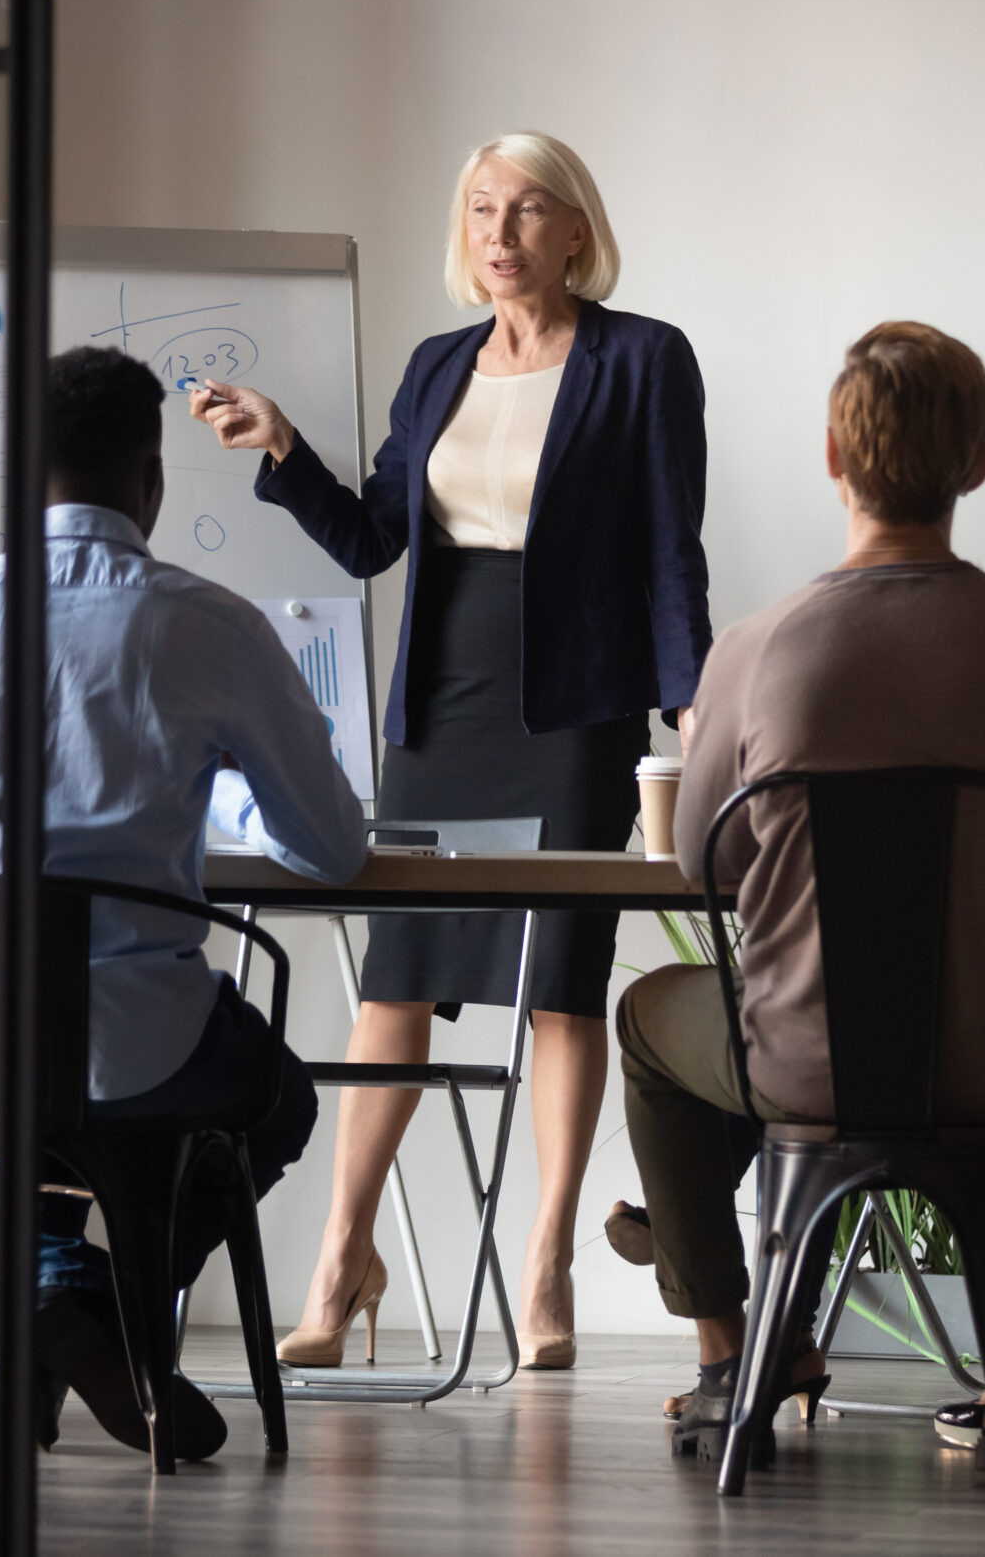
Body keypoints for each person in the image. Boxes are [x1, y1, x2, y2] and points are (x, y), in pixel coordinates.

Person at [618, 321, 985, 1481]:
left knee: (642, 1024)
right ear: (975, 466)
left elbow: (698, 867)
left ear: (833, 455)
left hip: (796, 1065)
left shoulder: (752, 649)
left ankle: (736, 1358)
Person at [192, 130, 711, 1370]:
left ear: (575, 230)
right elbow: (376, 540)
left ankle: (542, 1263)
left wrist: (692, 707)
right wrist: (280, 448)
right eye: (483, 208)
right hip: (441, 703)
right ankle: (342, 1255)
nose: (501, 232)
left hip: (574, 710)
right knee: (395, 984)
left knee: (560, 984)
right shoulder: (434, 367)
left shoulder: (643, 358)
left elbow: (665, 548)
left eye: (530, 211)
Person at [0, 345, 365, 1462]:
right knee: (273, 1104)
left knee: (26, 1112)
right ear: (150, 480)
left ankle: (43, 1302)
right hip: (144, 1052)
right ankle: (82, 1295)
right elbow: (332, 847)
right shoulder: (212, 625)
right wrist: (216, 792)